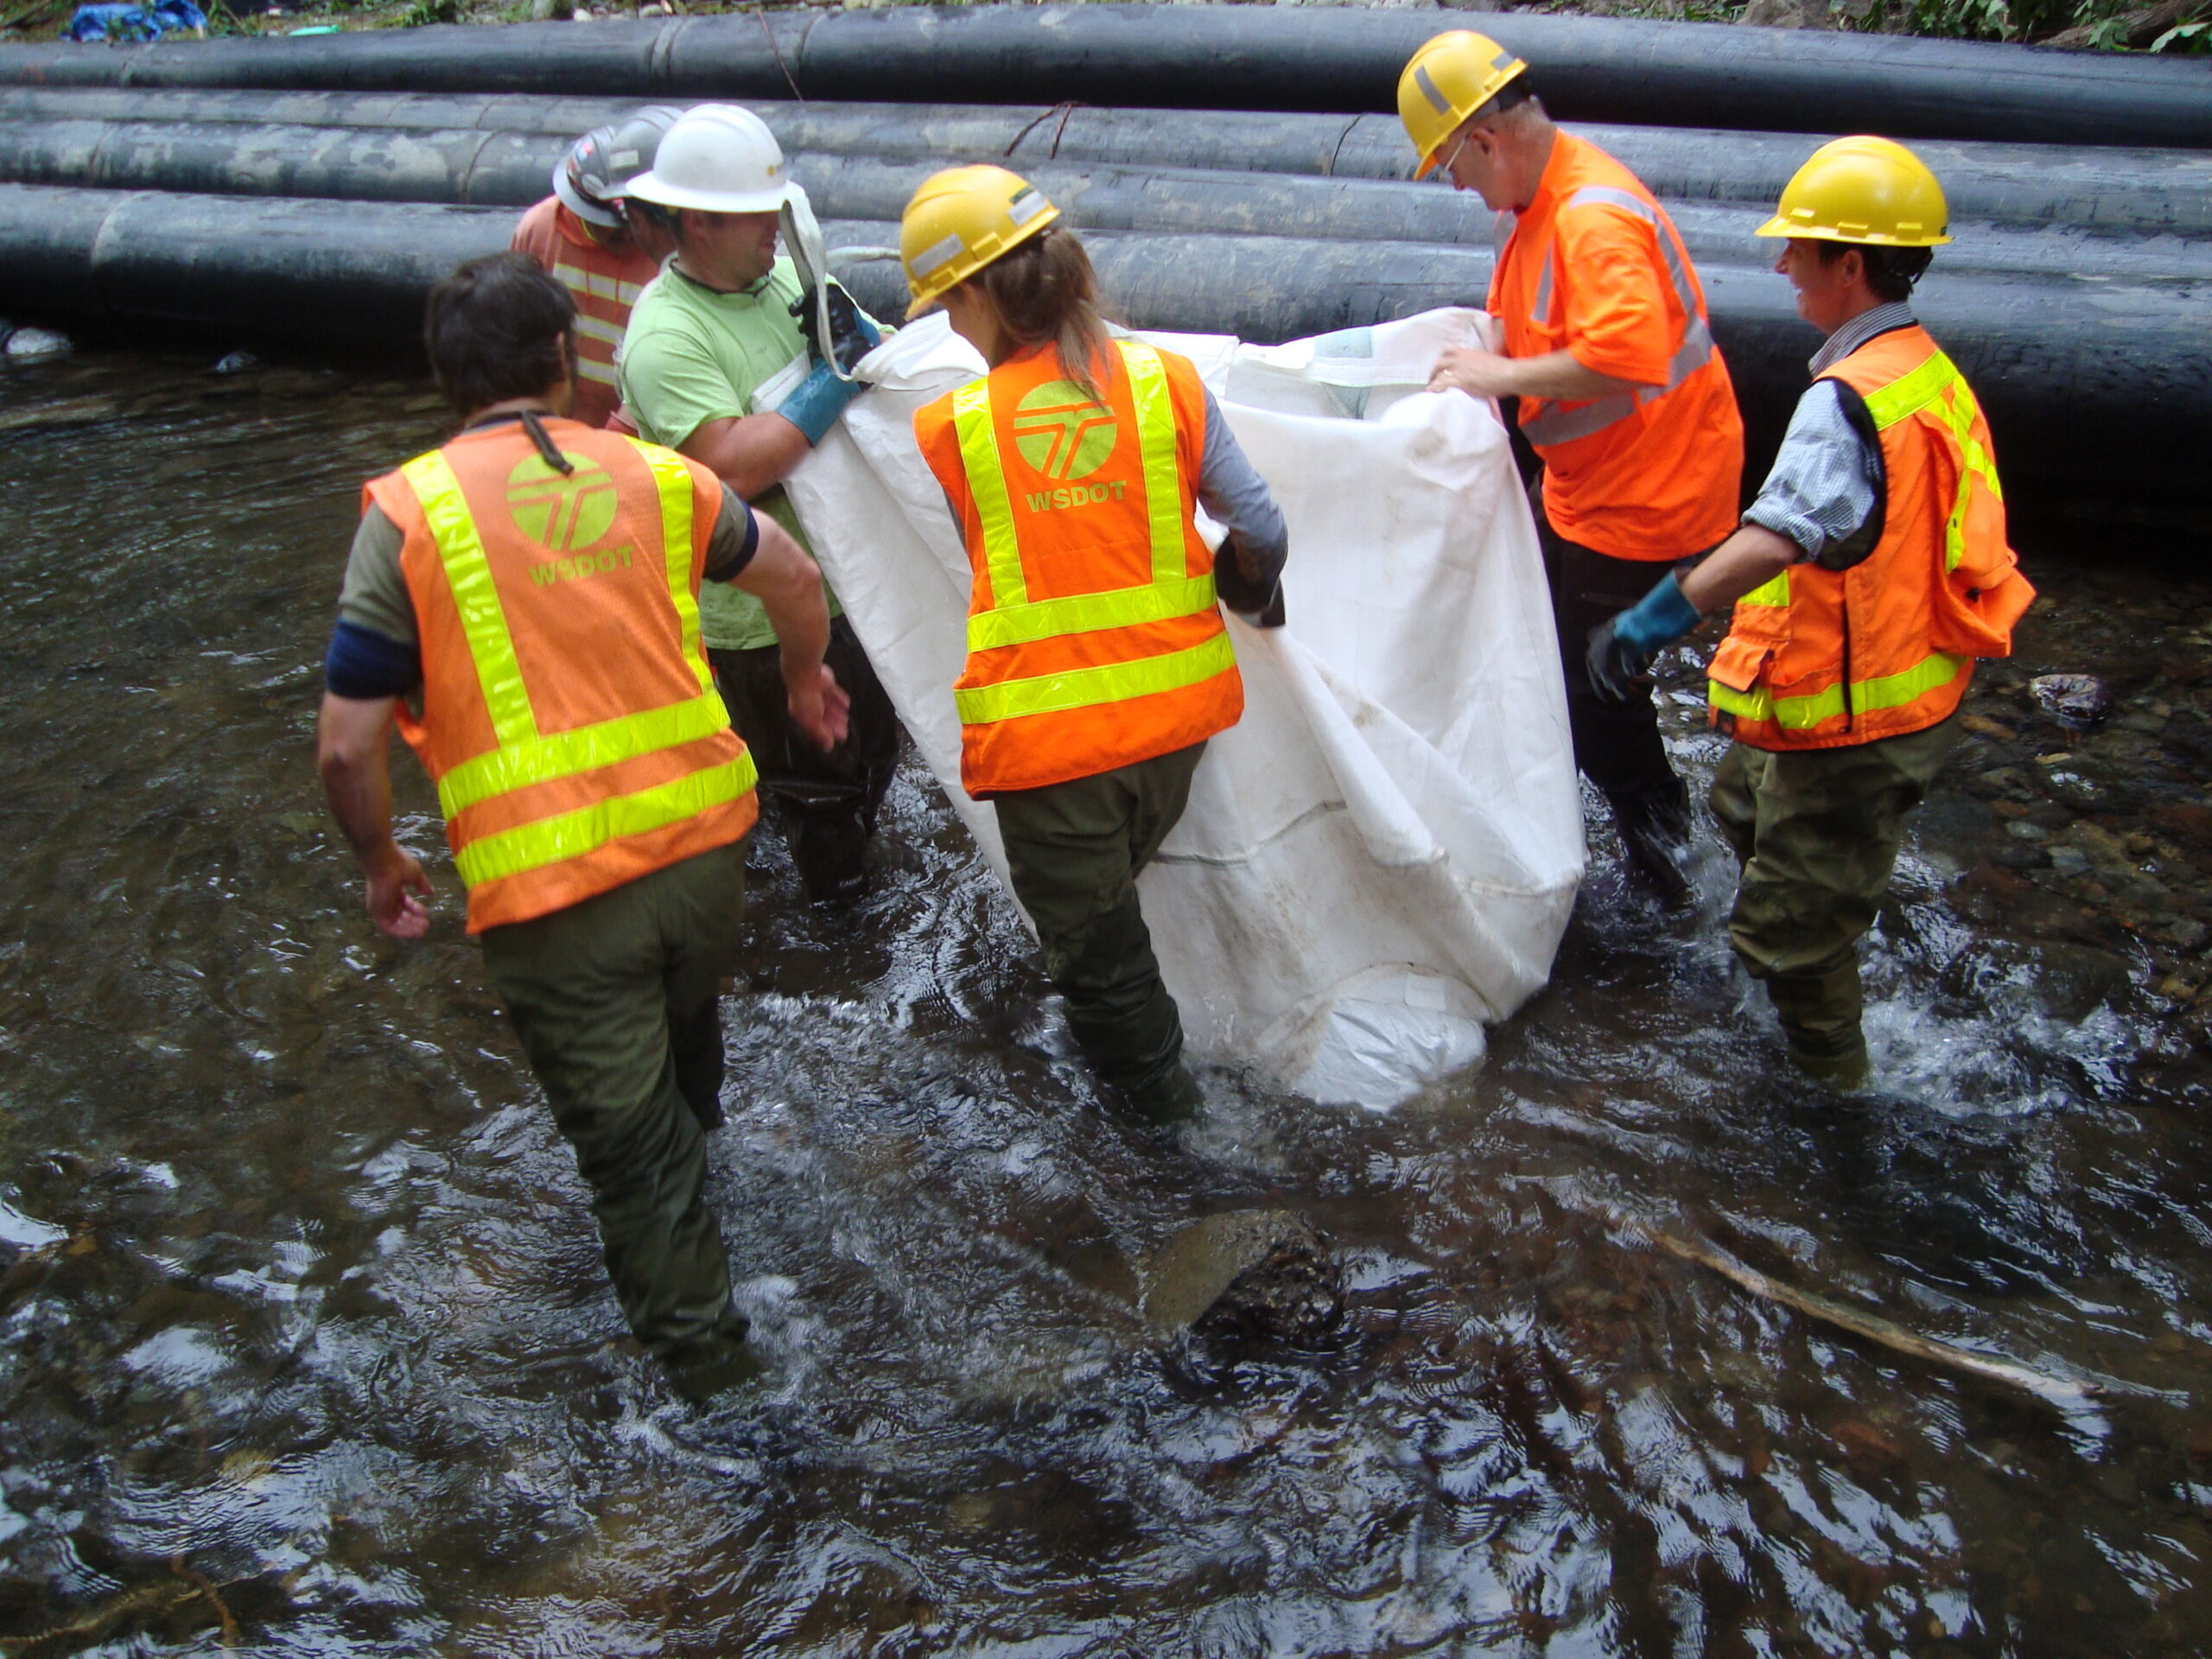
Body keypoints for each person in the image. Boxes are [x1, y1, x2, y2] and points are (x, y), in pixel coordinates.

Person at [315, 251, 849, 1402]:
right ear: (564, 361)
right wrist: (805, 688)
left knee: (633, 1163)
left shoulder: (411, 515)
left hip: (556, 896)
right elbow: (796, 576)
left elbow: (346, 745)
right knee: (686, 1037)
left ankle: (719, 1411)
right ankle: (719, 1172)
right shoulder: (656, 477)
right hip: (707, 856)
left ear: (444, 377)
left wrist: (377, 858)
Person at [1584, 137, 2034, 1086]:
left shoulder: (1845, 403)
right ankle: (1811, 919)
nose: (1781, 264)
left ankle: (1837, 1111)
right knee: (1737, 802)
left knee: (1793, 944)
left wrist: (1652, 619)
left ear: (1851, 264)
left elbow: (1775, 540)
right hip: (1889, 692)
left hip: (1860, 722)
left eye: (1799, 248)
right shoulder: (1921, 368)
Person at [899, 165, 1289, 1124]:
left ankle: (1181, 1140)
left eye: (947, 306)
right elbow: (1262, 525)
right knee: (1111, 908)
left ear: (977, 294)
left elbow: (988, 556)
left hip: (1051, 748)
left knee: (1099, 970)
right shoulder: (1168, 384)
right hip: (1176, 725)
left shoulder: (955, 426)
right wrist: (1248, 589)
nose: (949, 327)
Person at [1402, 30, 1745, 905]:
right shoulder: (1543, 201)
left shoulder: (1585, 217)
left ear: (1484, 140)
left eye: (1450, 163)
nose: (1454, 184)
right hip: (1597, 482)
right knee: (1565, 662)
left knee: (1596, 697)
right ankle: (1643, 841)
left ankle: (1673, 876)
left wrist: (1499, 375)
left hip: (1648, 496)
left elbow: (1627, 353)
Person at [618, 103, 902, 904]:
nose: (776, 225)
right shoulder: (666, 339)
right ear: (699, 223)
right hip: (758, 619)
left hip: (849, 581)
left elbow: (868, 343)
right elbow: (728, 467)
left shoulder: (781, 273)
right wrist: (831, 380)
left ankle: (824, 878)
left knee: (876, 754)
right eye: (755, 215)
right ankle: (835, 944)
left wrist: (872, 347)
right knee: (816, 790)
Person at [509, 106, 684, 429]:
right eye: (605, 225)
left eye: (631, 221)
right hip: (559, 420)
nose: (622, 233)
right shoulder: (540, 230)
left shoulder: (664, 244)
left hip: (644, 421)